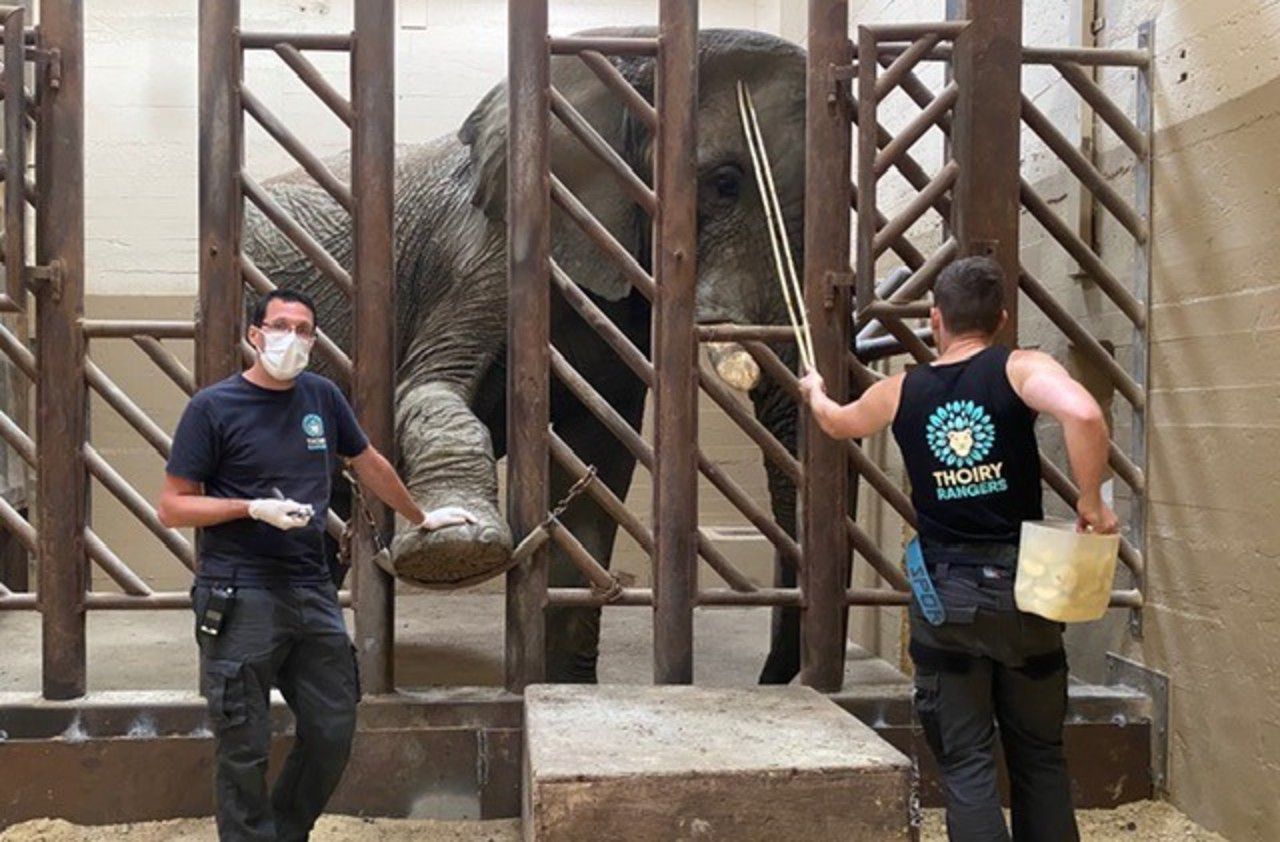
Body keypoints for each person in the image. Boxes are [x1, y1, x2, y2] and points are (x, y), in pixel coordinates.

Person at [799, 256, 1118, 842]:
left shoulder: (902, 389)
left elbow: (839, 423)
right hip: (1027, 589)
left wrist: (815, 391)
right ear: (1000, 318)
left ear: (934, 318)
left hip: (945, 596)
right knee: (1040, 755)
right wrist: (1091, 502)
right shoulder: (1021, 367)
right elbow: (1083, 411)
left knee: (968, 763)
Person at [157, 289, 474, 841]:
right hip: (239, 591)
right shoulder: (213, 407)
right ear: (255, 335)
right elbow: (173, 506)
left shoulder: (322, 397)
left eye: (304, 330)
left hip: (311, 587)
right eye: (281, 326)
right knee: (243, 743)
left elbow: (367, 460)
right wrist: (250, 508)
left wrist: (419, 516)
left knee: (333, 727)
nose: (293, 339)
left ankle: (283, 831)